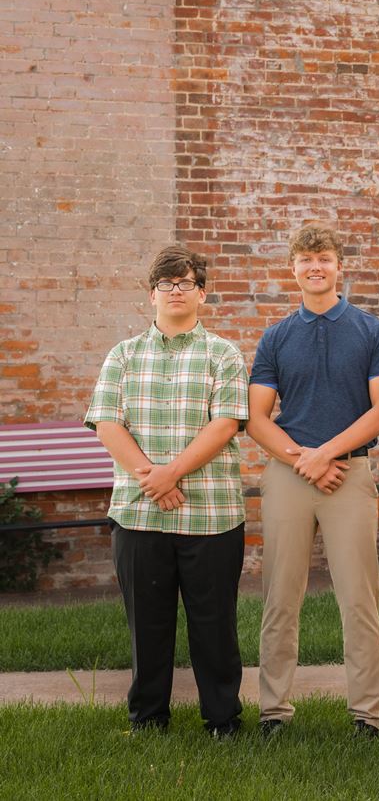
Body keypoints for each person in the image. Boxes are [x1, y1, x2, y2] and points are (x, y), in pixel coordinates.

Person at [86, 245, 249, 737]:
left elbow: (225, 424)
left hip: (211, 514)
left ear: (202, 292)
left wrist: (170, 473)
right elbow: (107, 425)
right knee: (147, 626)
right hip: (139, 515)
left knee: (213, 624)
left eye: (186, 283)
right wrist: (151, 478)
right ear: (151, 294)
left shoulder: (223, 353)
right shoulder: (123, 355)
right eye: (166, 283)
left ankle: (222, 718)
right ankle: (148, 717)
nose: (175, 291)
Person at [247, 224, 379, 738]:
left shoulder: (372, 331)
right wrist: (301, 459)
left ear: (338, 266)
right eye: (306, 259)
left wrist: (325, 454)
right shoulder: (277, 336)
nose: (315, 267)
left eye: (324, 258)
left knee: (359, 598)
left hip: (349, 474)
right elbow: (258, 416)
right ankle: (273, 711)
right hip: (289, 475)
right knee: (280, 596)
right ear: (293, 269)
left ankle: (368, 714)